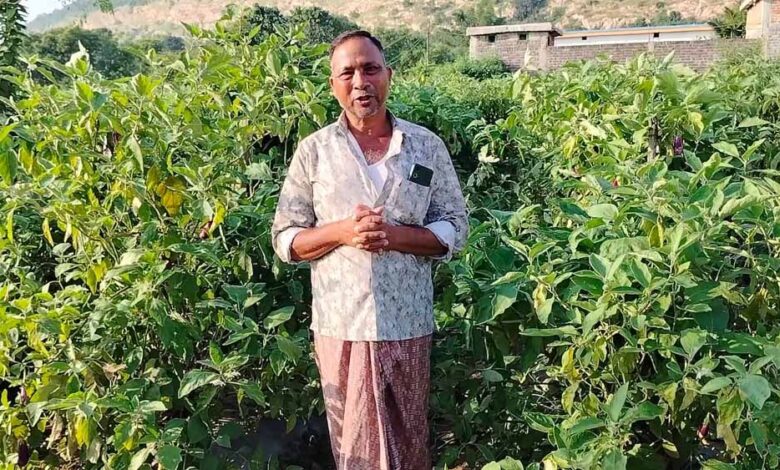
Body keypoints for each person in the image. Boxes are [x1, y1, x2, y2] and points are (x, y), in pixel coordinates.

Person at [271, 30, 469, 470]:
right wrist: (342, 232)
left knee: (408, 443)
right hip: (341, 326)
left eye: (370, 69)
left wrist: (393, 236)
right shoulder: (315, 152)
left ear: (388, 76)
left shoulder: (425, 146)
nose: (361, 82)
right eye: (348, 73)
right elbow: (286, 238)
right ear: (333, 85)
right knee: (355, 446)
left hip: (408, 323)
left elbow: (455, 225)